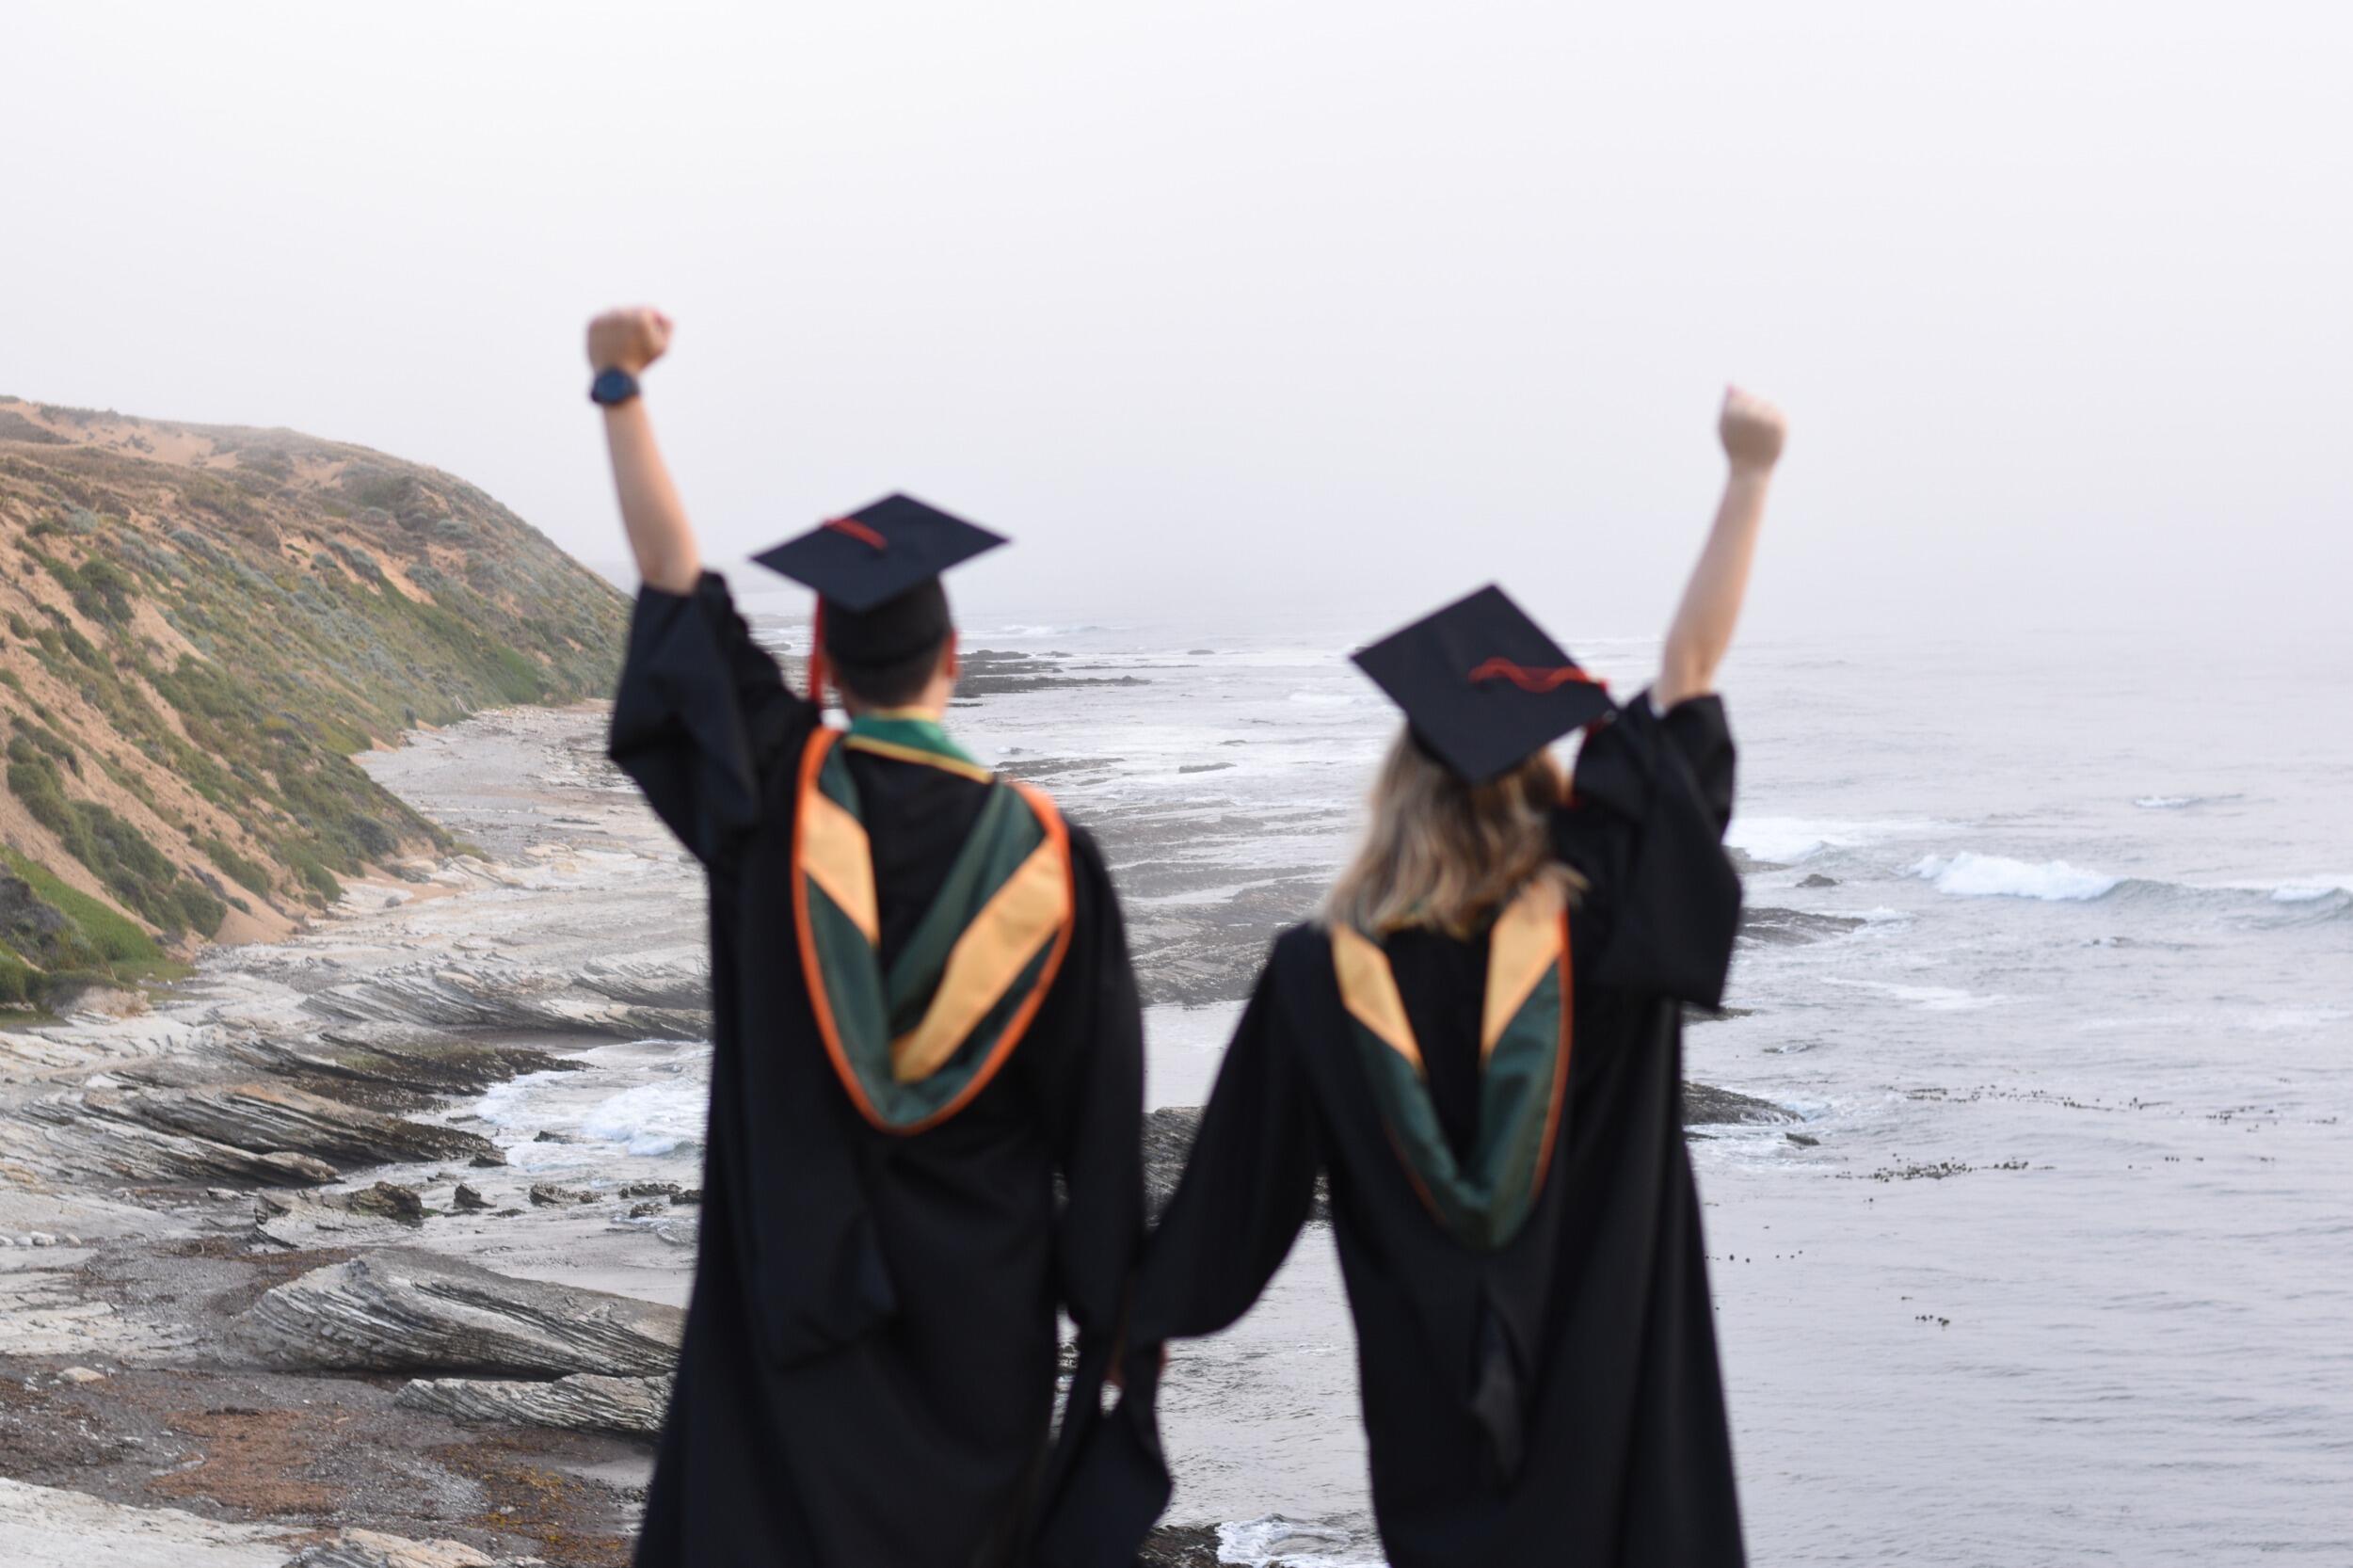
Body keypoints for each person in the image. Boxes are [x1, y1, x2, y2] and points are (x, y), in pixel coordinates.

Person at [1065, 388, 1789, 1567]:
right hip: (1617, 1444)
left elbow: (1221, 1227)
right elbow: (1690, 673)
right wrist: (1749, 474)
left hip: (1437, 1448)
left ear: (1397, 788)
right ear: (1542, 788)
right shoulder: (1607, 927)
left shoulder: (1320, 975)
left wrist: (1099, 1299)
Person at [584, 307, 1146, 1568]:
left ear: (823, 659)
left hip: (793, 1331)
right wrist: (1123, 1337)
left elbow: (678, 591)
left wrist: (619, 385)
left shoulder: (775, 801)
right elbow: (1102, 1148)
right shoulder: (1057, 866)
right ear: (956, 655)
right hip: (981, 1349)